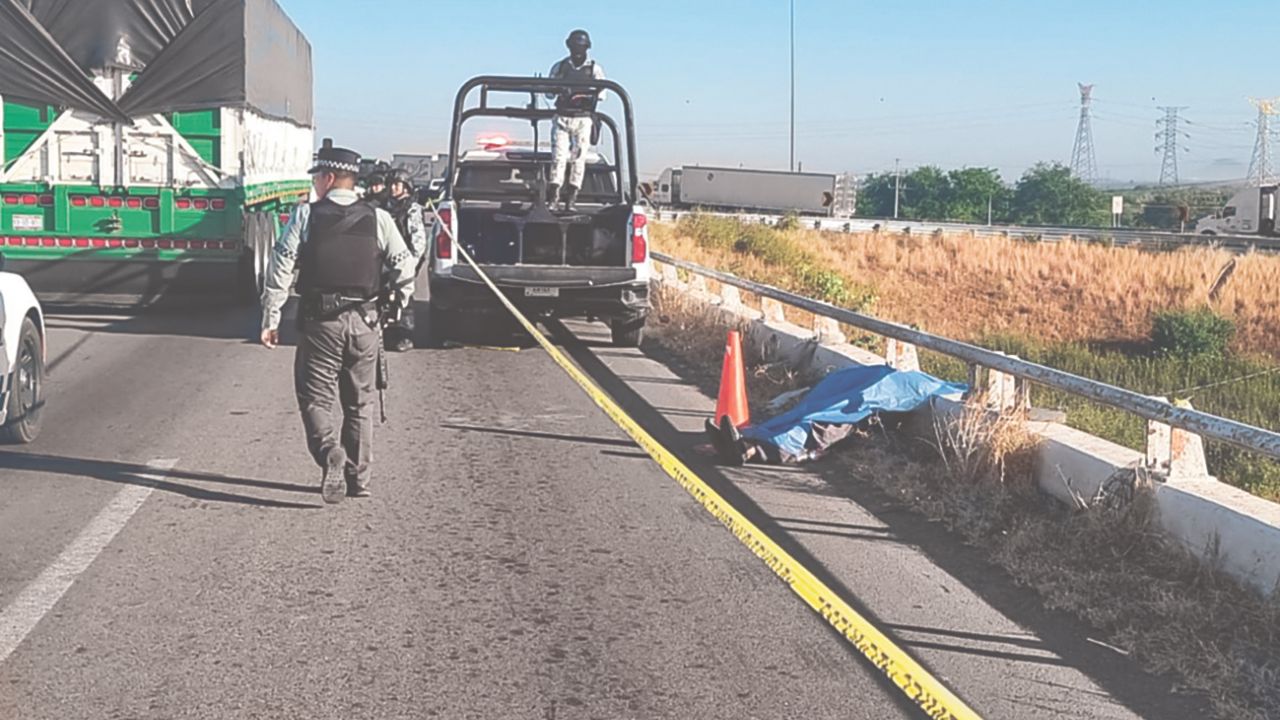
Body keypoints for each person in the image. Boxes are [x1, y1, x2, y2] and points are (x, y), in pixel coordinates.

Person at [260, 139, 416, 504]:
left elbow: (281, 266)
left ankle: (330, 450)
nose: (314, 184)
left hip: (320, 324)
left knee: (315, 398)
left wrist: (271, 316)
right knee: (360, 403)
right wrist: (398, 304)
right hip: (366, 323)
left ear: (329, 178)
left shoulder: (305, 216)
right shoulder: (379, 218)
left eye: (317, 177)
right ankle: (358, 479)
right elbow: (404, 265)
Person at [546, 29, 606, 211]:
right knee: (558, 158)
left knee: (579, 159)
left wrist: (584, 95)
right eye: (574, 46)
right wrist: (561, 90)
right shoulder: (560, 67)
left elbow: (603, 94)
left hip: (583, 118)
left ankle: (571, 199)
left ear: (587, 48)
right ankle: (554, 197)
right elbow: (549, 92)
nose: (577, 50)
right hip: (562, 117)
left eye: (580, 47)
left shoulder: (595, 68)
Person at [382, 168, 427, 352]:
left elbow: (418, 240)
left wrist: (410, 265)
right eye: (391, 184)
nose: (393, 188)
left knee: (404, 298)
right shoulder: (384, 207)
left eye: (397, 184)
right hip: (385, 260)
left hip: (406, 260)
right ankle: (386, 333)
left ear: (406, 187)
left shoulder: (412, 209)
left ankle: (406, 335)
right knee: (384, 297)